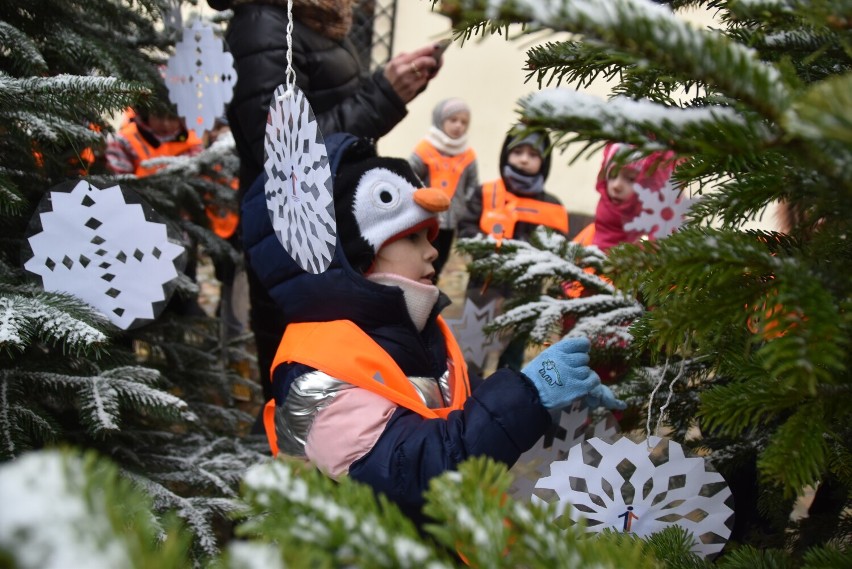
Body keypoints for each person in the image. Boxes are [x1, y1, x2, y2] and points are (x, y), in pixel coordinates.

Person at [241, 133, 625, 524]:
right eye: (411, 236)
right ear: (357, 258)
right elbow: (413, 472)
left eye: (428, 235)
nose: (433, 251)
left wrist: (552, 405)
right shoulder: (318, 368)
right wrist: (530, 392)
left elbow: (459, 399)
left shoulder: (412, 331)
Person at [211, 0, 445, 416]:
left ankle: (349, 455)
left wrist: (389, 83)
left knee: (340, 371)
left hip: (332, 222)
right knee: (304, 379)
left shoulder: (316, 21)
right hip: (295, 233)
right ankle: (297, 467)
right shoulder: (263, 22)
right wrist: (385, 95)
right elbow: (285, 149)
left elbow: (326, 110)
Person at [458, 126, 570, 372]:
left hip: (525, 295)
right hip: (482, 289)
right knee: (472, 355)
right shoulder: (485, 193)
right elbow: (466, 228)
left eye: (533, 154)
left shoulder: (553, 206)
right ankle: (466, 399)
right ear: (505, 155)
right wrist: (487, 249)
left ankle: (502, 400)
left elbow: (558, 248)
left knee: (512, 359)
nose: (524, 158)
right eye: (517, 151)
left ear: (544, 161)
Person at [408, 98, 479, 277]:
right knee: (422, 258)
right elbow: (410, 176)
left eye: (464, 122)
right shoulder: (425, 149)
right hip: (425, 219)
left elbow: (472, 184)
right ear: (440, 120)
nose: (458, 126)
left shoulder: (468, 155)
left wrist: (463, 205)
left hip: (450, 222)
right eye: (453, 120)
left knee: (440, 261)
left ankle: (433, 292)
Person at [574, 142, 678, 251]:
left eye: (631, 179)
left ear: (652, 187)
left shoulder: (656, 242)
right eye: (612, 175)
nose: (616, 186)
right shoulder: (592, 232)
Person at [105, 106, 203, 176]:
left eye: (172, 117)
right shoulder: (123, 140)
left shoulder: (193, 141)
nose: (166, 124)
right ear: (146, 113)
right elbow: (121, 182)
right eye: (159, 116)